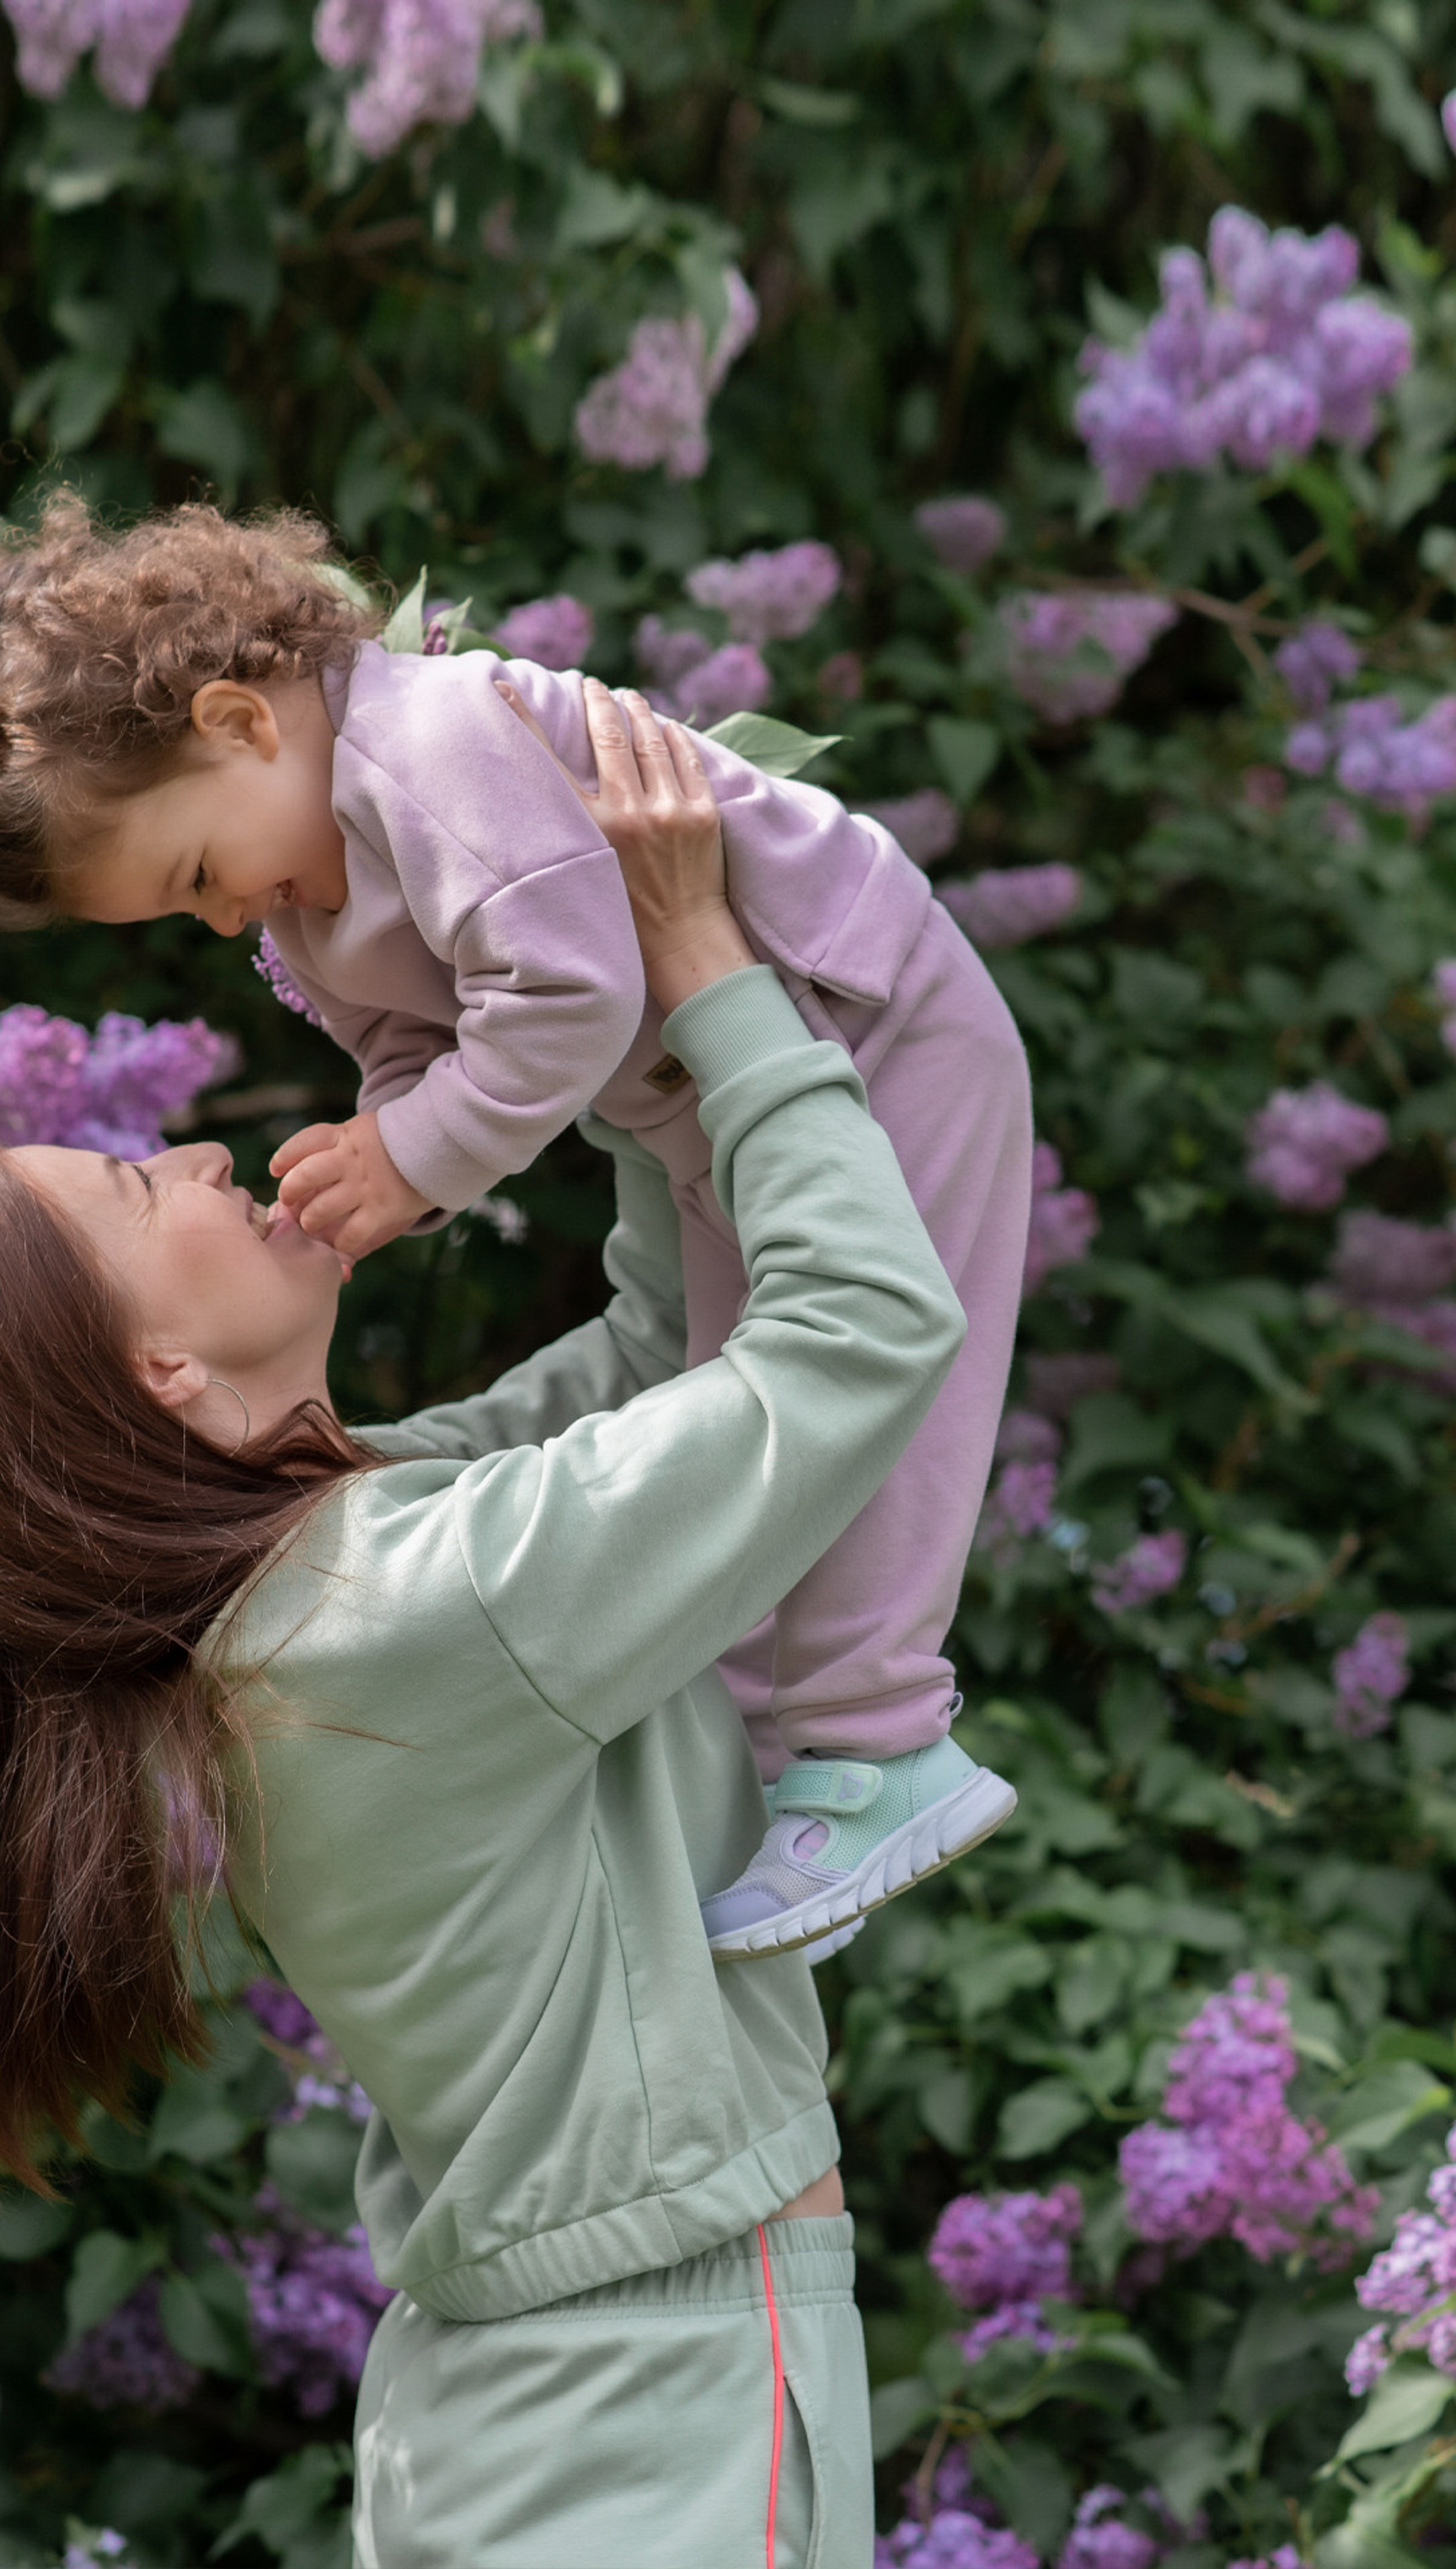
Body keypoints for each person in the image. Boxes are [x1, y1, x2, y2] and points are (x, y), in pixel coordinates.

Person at [0, 704, 972, 2565]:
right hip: (642, 2417)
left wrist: (572, 992)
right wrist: (696, 967)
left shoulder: (326, 1576)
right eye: (142, 1190)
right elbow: (854, 1337)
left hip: (567, 2406)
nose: (203, 1158)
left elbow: (655, 1349)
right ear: (163, 1371)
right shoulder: (389, 1618)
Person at [0, 494, 1032, 1957]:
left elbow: (570, 992)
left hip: (865, 1021)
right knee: (732, 1400)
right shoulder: (305, 877)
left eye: (192, 874)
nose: (223, 917)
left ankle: (882, 1741)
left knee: (874, 1392)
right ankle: (768, 1770)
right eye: (183, 911)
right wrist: (380, 1142)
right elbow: (428, 1043)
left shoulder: (424, 745)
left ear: (238, 720)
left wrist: (417, 1159)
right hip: (721, 1096)